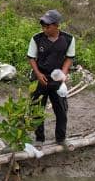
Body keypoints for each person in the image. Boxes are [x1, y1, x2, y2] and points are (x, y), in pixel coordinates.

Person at [27, 9, 75, 144]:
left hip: (57, 80)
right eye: (43, 26)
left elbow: (69, 58)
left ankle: (60, 139)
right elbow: (31, 58)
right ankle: (39, 139)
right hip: (40, 79)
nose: (44, 29)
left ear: (56, 25)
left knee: (61, 110)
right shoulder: (37, 38)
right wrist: (38, 74)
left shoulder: (68, 39)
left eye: (47, 26)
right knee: (37, 110)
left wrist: (63, 74)